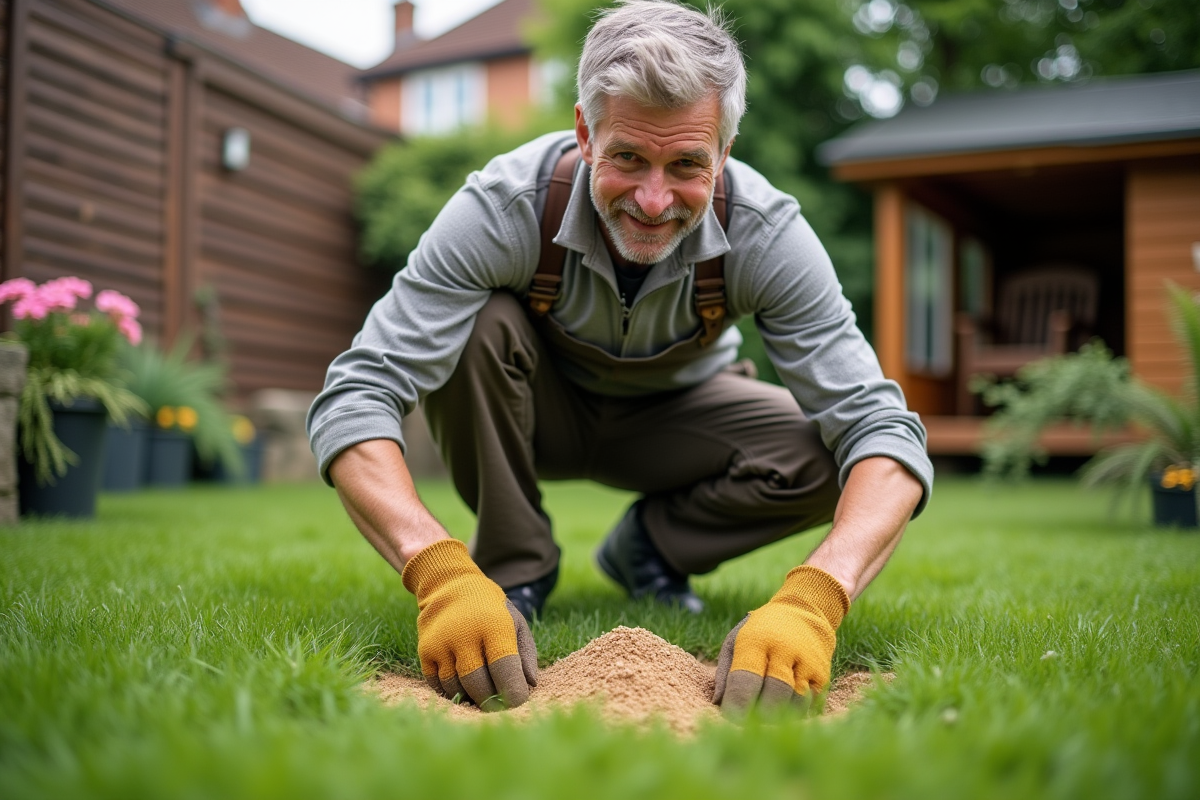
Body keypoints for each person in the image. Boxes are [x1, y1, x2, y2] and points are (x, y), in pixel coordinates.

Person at [307, 0, 931, 717]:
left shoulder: (767, 233)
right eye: (629, 157)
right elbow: (356, 395)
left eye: (688, 165)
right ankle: (513, 574)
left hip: (679, 422)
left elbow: (884, 433)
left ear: (725, 153)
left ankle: (651, 550)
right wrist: (439, 572)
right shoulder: (505, 207)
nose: (654, 198)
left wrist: (816, 599)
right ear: (584, 132)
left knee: (830, 451)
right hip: (531, 407)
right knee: (479, 324)